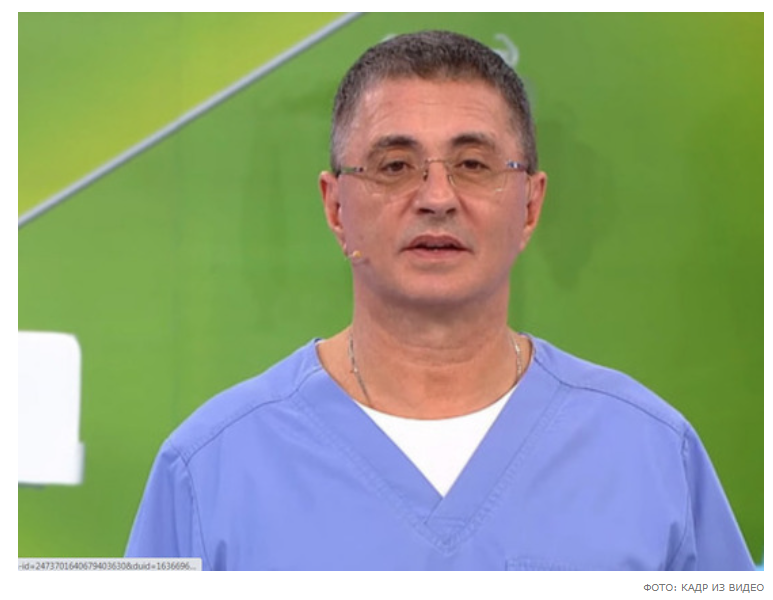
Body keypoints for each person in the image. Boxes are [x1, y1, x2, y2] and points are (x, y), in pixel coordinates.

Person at [125, 30, 754, 571]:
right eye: (395, 166)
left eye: (473, 164)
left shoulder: (650, 453)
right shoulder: (209, 468)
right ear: (336, 207)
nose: (436, 197)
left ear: (530, 205)